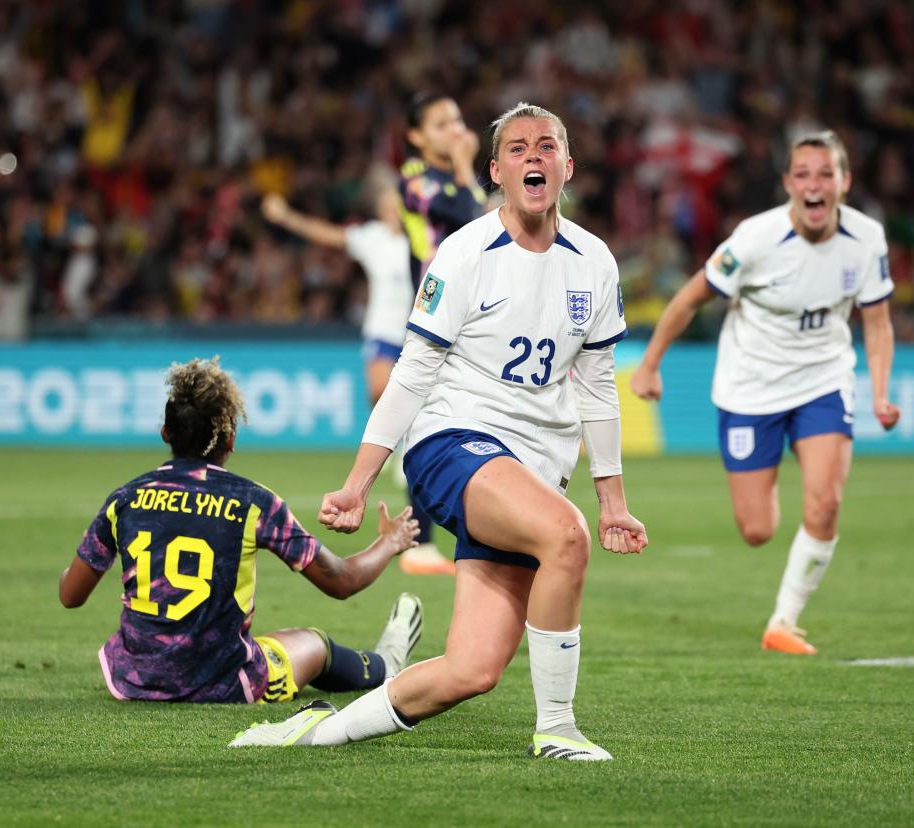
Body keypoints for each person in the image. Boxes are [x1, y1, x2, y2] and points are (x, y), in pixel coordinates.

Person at [231, 103, 648, 760]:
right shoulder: (465, 252)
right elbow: (413, 374)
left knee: (471, 671)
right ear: (495, 171)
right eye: (517, 148)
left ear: (568, 166)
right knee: (566, 536)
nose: (533, 156)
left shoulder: (594, 262)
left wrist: (614, 499)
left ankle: (311, 734)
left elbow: (597, 386)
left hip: (532, 469)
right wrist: (357, 483)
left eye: (547, 146)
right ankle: (558, 730)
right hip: (454, 441)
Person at [630, 130, 900, 656]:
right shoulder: (756, 238)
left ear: (844, 182)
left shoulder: (867, 239)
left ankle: (784, 622)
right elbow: (690, 298)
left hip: (823, 382)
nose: (815, 185)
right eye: (804, 174)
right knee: (757, 529)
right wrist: (649, 364)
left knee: (825, 504)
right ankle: (768, 505)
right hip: (750, 389)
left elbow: (879, 323)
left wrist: (880, 392)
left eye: (826, 174)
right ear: (788, 184)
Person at [58, 356, 423, 703]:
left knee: (267, 642)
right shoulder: (252, 503)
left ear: (165, 433)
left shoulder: (125, 499)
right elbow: (341, 581)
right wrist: (390, 542)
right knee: (314, 644)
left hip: (133, 679)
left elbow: (70, 595)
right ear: (231, 439)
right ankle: (386, 666)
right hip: (223, 682)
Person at [260, 170, 454, 576]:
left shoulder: (428, 242)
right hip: (384, 332)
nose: (392, 211)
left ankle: (403, 454)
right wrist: (285, 217)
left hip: (419, 333)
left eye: (396, 204)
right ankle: (398, 452)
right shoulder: (373, 239)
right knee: (382, 395)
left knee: (408, 402)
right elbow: (328, 235)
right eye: (385, 204)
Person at [394, 92, 488, 568]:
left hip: (477, 311)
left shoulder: (459, 179)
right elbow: (472, 216)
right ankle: (417, 541)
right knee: (424, 419)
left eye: (457, 119)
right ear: (416, 137)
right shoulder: (416, 180)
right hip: (436, 312)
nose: (455, 129)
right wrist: (465, 166)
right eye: (440, 124)